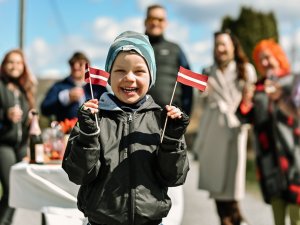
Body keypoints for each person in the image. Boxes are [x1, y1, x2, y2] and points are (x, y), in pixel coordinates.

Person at [62, 31, 190, 225]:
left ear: (151, 77)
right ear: (109, 75)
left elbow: (173, 177)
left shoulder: (161, 120)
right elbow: (78, 174)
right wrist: (88, 135)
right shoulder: (93, 118)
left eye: (139, 71)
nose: (129, 78)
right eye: (120, 70)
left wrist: (172, 139)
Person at [192, 30, 257, 225]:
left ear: (233, 46)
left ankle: (234, 219)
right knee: (216, 185)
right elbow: (202, 103)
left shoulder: (245, 69)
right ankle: (227, 220)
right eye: (217, 45)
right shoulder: (207, 70)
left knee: (232, 185)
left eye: (223, 44)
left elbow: (250, 100)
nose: (220, 49)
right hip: (212, 130)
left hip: (234, 130)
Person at [239, 39, 300, 225]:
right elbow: (245, 119)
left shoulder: (294, 81)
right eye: (260, 59)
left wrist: (280, 97)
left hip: (294, 153)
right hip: (269, 157)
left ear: (278, 57)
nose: (264, 63)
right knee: (277, 209)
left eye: (268, 58)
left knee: (296, 209)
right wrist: (246, 101)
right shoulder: (258, 87)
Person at [144, 5, 193, 224]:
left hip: (169, 125)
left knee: (172, 176)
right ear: (146, 21)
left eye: (160, 19)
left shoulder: (175, 49)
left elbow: (190, 89)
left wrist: (183, 119)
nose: (156, 22)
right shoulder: (138, 46)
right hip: (140, 122)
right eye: (152, 18)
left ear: (166, 23)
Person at [0, 49, 37, 225]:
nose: (15, 66)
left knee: (20, 190)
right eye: (11, 62)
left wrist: (29, 119)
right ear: (4, 64)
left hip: (21, 145)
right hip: (3, 144)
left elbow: (23, 124)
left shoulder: (23, 89)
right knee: (11, 190)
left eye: (19, 63)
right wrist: (5, 115)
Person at [40, 51, 106, 122]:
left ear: (87, 66)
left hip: (94, 129)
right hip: (66, 130)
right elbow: (44, 109)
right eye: (72, 64)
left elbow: (108, 107)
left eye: (80, 64)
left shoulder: (97, 88)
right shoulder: (59, 86)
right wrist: (64, 98)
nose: (75, 66)